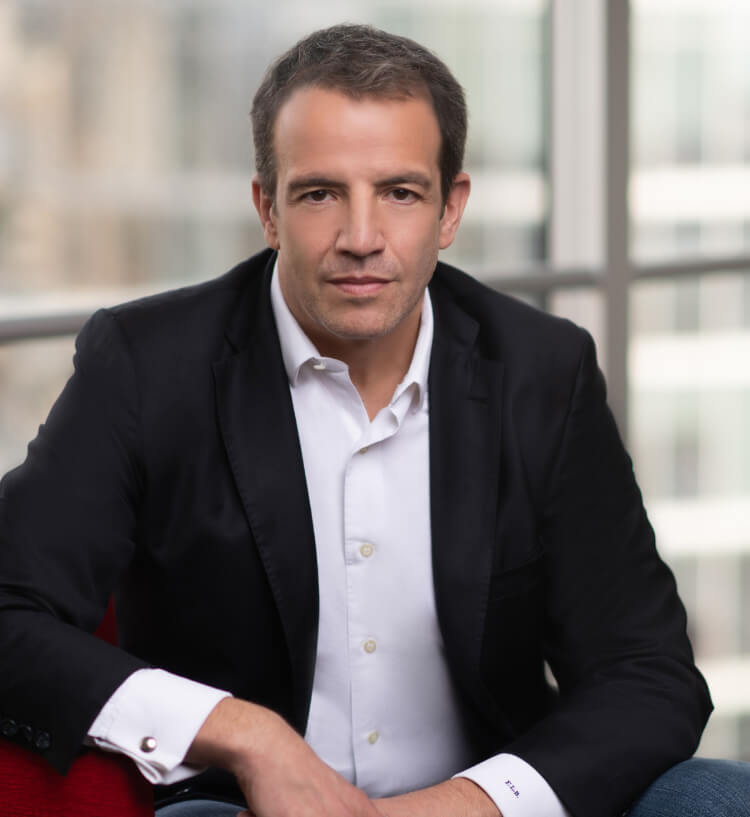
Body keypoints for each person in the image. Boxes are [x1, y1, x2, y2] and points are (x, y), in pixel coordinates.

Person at [0, 22, 746, 817]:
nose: (361, 239)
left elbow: (646, 669)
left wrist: (468, 803)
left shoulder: (542, 371)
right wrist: (247, 735)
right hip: (242, 806)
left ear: (450, 209)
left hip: (485, 802)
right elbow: (9, 607)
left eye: (400, 193)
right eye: (320, 194)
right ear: (268, 208)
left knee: (719, 798)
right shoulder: (149, 365)